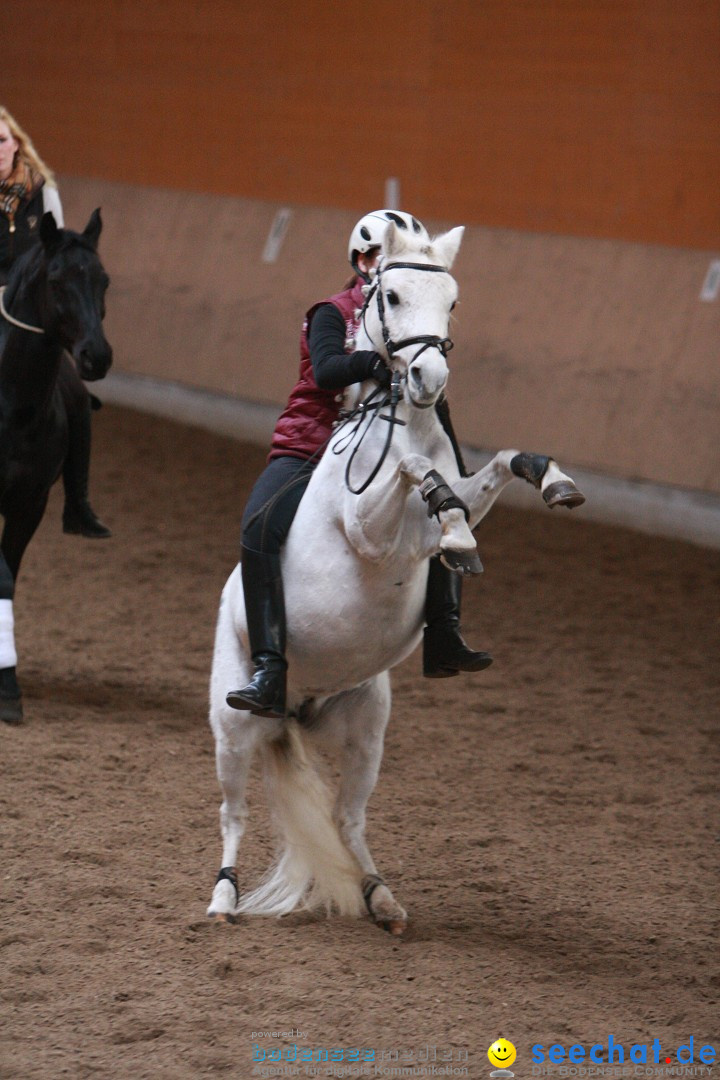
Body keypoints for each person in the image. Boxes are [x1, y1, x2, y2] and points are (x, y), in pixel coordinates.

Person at [226, 209, 492, 719]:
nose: (377, 267)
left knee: (443, 514)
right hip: (313, 443)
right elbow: (326, 370)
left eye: (384, 258)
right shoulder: (332, 311)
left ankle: (444, 630)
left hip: (385, 451)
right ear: (359, 260)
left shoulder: (415, 318)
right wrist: (372, 363)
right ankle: (267, 666)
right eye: (370, 258)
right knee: (259, 527)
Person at [0, 105, 110, 539]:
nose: (0, 148)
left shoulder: (42, 190)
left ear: (17, 143)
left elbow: (58, 251)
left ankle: (78, 504)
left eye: (5, 139)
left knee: (75, 395)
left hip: (27, 307)